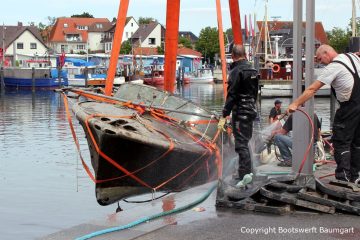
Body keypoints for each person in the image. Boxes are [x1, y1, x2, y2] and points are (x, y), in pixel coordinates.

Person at [287, 44, 360, 182]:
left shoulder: (334, 66)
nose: (321, 63)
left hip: (349, 108)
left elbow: (312, 89)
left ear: (326, 53)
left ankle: (343, 179)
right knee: (356, 143)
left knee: (341, 142)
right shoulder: (353, 57)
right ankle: (356, 177)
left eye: (320, 59)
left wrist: (295, 104)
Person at [218, 44, 259, 180]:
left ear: (233, 56)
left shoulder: (236, 71)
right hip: (251, 110)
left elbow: (232, 95)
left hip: (240, 111)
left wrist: (225, 113)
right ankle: (249, 171)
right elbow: (254, 93)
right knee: (246, 143)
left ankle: (244, 175)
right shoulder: (253, 70)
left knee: (241, 145)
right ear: (245, 55)